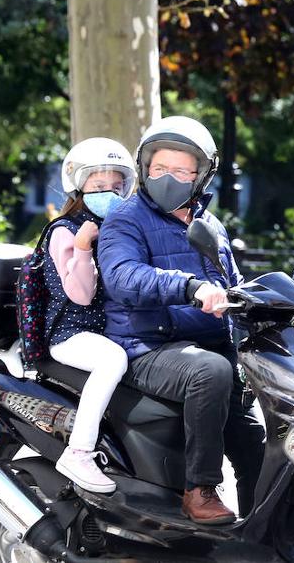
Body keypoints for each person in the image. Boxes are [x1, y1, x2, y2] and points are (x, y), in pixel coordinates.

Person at [98, 116, 264, 525]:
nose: (167, 178)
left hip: (207, 346)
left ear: (201, 176)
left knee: (254, 439)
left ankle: (270, 526)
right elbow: (122, 277)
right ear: (144, 169)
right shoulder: (126, 219)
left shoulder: (210, 226)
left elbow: (231, 285)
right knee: (210, 371)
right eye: (159, 169)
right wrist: (188, 286)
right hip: (147, 346)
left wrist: (268, 305)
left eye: (180, 170)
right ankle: (200, 490)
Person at [44, 138, 135, 494]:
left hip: (103, 328)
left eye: (115, 186)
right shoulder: (65, 231)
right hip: (70, 333)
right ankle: (79, 451)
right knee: (113, 361)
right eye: (98, 186)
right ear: (79, 187)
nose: (108, 193)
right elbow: (80, 295)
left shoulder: (115, 227)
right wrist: (82, 248)